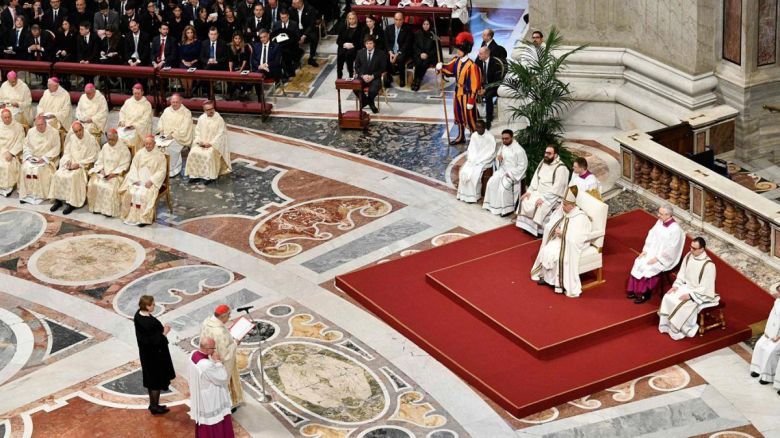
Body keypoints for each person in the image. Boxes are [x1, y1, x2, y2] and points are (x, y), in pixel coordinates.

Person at [530, 186, 592, 297]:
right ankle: (549, 279)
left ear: (572, 206)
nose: (562, 206)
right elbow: (555, 222)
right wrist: (556, 231)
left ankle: (559, 283)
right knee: (547, 250)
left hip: (571, 244)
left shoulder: (581, 218)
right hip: (561, 240)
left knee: (556, 255)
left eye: (564, 204)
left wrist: (563, 234)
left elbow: (579, 237)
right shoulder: (565, 212)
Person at [658, 237, 717, 339]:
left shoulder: (709, 265)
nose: (691, 250)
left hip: (698, 293)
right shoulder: (689, 256)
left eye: (694, 248)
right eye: (691, 247)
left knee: (680, 304)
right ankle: (666, 326)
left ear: (702, 249)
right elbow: (682, 273)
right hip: (686, 287)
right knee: (668, 296)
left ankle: (678, 330)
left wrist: (690, 296)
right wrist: (676, 286)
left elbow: (706, 287)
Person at [627, 204, 686, 304]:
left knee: (649, 267)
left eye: (661, 214)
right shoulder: (660, 222)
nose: (658, 215)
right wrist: (645, 251)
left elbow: (672, 249)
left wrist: (658, 258)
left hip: (664, 258)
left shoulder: (675, 229)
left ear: (668, 215)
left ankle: (645, 293)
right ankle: (633, 289)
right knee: (639, 261)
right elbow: (651, 235)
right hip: (652, 251)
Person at [436, 32, 481, 145]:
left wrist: (471, 100)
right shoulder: (456, 60)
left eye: (459, 49)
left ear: (465, 49)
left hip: (467, 94)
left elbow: (475, 85)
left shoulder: (472, 66)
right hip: (458, 93)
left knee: (470, 118)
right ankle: (461, 136)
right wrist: (441, 66)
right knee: (459, 115)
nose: (457, 51)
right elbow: (450, 69)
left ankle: (477, 139)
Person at [134, 295, 176, 415]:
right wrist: (165, 332)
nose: (154, 306)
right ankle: (155, 407)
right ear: (147, 306)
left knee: (151, 380)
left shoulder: (138, 315)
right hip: (154, 356)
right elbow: (153, 340)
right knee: (156, 381)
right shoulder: (147, 322)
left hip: (147, 355)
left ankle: (153, 404)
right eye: (152, 304)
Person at [515, 145, 570, 236]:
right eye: (545, 152)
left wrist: (543, 198)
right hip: (538, 192)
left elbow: (557, 189)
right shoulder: (543, 162)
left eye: (549, 153)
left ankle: (539, 231)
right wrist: (529, 191)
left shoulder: (561, 168)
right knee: (525, 199)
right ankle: (527, 227)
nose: (546, 155)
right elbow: (535, 179)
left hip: (551, 196)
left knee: (539, 205)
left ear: (555, 155)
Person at [186, 336, 236, 437]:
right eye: (213, 348)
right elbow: (222, 377)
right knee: (215, 421)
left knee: (206, 422)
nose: (215, 350)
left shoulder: (193, 354)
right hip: (210, 397)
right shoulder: (206, 365)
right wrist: (217, 361)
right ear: (207, 349)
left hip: (200, 393)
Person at [48, 121, 99, 215]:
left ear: (83, 129)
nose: (79, 133)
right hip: (71, 164)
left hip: (82, 166)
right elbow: (67, 152)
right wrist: (67, 161)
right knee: (58, 174)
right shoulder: (72, 138)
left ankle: (72, 203)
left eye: (80, 130)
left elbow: (93, 156)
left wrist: (79, 164)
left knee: (73, 177)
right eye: (76, 131)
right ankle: (58, 200)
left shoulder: (90, 139)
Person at [199, 304, 243, 409]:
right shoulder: (220, 332)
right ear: (222, 316)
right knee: (224, 382)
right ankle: (227, 405)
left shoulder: (207, 321)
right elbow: (225, 355)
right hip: (221, 362)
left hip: (209, 357)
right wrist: (235, 343)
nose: (229, 317)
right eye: (228, 315)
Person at [119, 135, 166, 226]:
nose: (147, 146)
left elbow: (162, 171)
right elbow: (133, 167)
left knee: (144, 195)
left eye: (150, 144)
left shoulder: (160, 156)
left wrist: (151, 181)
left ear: (154, 143)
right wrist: (135, 179)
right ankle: (130, 216)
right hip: (138, 180)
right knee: (130, 192)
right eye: (146, 144)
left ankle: (143, 219)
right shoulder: (140, 153)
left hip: (150, 183)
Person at [87, 129, 131, 217]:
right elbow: (100, 161)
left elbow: (124, 165)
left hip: (116, 175)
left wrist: (113, 174)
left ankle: (109, 211)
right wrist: (101, 169)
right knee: (94, 183)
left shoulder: (123, 148)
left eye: (112, 140)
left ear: (117, 137)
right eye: (109, 140)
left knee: (110, 188)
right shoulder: (105, 147)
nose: (110, 142)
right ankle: (97, 208)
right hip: (104, 174)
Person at [483, 129, 527, 215]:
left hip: (513, 173)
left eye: (506, 138)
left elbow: (523, 166)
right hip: (502, 170)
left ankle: (506, 210)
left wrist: (510, 174)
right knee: (491, 183)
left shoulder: (519, 150)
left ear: (512, 137)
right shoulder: (503, 146)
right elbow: (499, 158)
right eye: (502, 138)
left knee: (503, 188)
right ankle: (491, 205)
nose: (504, 140)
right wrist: (498, 159)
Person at [18, 116, 61, 204]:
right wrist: (29, 156)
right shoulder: (31, 131)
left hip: (47, 159)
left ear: (46, 123)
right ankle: (27, 194)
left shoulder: (54, 132)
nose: (40, 127)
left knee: (39, 170)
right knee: (25, 168)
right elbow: (26, 145)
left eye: (42, 125)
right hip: (33, 158)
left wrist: (44, 158)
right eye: (38, 125)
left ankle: (40, 195)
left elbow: (56, 148)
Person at [185, 101, 230, 183]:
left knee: (208, 155)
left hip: (214, 145)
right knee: (193, 152)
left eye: (212, 108)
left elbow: (221, 134)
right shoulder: (201, 118)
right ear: (204, 110)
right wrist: (199, 141)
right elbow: (197, 131)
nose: (210, 111)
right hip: (202, 143)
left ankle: (208, 176)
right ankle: (195, 175)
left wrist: (211, 144)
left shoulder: (219, 119)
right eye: (208, 109)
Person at [456, 120, 496, 203]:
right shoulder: (474, 135)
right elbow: (471, 149)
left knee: (474, 174)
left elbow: (491, 152)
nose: (478, 129)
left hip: (484, 160)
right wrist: (472, 158)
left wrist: (479, 160)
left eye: (480, 127)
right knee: (464, 171)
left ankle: (473, 197)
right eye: (476, 127)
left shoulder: (490, 137)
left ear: (484, 127)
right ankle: (463, 195)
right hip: (473, 159)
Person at [156, 93, 193, 177]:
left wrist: (173, 135)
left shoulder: (186, 113)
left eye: (176, 102)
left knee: (170, 147)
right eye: (173, 102)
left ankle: (172, 170)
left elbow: (184, 129)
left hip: (179, 137)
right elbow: (161, 122)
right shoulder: (167, 110)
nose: (174, 104)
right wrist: (161, 130)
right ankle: (160, 168)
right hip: (165, 136)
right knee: (155, 145)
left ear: (181, 101)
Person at [750, 292, 780, 385]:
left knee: (771, 351)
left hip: (778, 336)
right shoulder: (777, 302)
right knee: (760, 345)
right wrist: (767, 331)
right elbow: (772, 318)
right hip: (772, 331)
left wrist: (778, 336)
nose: (777, 294)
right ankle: (758, 369)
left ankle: (768, 376)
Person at [353, 35, 386, 114]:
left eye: (370, 43)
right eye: (367, 43)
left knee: (373, 90)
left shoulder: (381, 53)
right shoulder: (360, 52)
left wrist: (373, 76)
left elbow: (383, 68)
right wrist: (362, 75)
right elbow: (356, 67)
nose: (369, 45)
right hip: (362, 76)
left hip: (375, 77)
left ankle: (368, 102)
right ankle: (368, 102)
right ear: (365, 44)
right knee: (355, 87)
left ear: (374, 44)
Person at [118, 83, 154, 153]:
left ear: (142, 92)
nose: (136, 95)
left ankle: (134, 158)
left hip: (138, 130)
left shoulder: (147, 105)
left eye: (138, 93)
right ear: (132, 92)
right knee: (117, 137)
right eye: (135, 93)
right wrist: (122, 121)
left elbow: (145, 120)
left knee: (131, 139)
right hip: (126, 127)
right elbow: (122, 112)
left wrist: (134, 126)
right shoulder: (128, 102)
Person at [475, 46, 503, 130]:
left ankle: (488, 120)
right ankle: (475, 115)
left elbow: (497, 81)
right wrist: (479, 87)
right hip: (482, 85)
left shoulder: (495, 63)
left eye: (481, 53)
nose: (478, 55)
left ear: (487, 54)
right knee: (469, 92)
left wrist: (485, 89)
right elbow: (475, 75)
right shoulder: (478, 61)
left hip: (493, 86)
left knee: (488, 96)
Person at [384, 12, 412, 88]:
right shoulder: (388, 28)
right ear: (394, 19)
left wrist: (397, 54)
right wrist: (390, 52)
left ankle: (402, 78)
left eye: (400, 20)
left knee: (400, 59)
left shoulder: (408, 29)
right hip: (391, 51)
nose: (398, 22)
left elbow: (407, 44)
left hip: (402, 51)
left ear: (403, 20)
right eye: (396, 19)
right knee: (385, 57)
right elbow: (386, 42)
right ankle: (389, 77)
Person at [0, 109, 24, 197]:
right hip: (1, 151)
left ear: (11, 116)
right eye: (5, 118)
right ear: (1, 118)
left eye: (8, 117)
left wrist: (12, 153)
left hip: (12, 153)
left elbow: (20, 142)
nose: (7, 119)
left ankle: (7, 188)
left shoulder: (18, 127)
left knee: (6, 165)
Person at [271, 9, 301, 79]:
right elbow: (273, 36)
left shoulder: (294, 24)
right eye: (281, 17)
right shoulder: (276, 24)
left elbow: (297, 37)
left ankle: (287, 73)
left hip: (291, 46)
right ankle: (281, 73)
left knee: (285, 54)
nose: (283, 19)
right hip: (280, 46)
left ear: (288, 16)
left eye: (284, 17)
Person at [290, 0, 320, 67]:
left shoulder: (310, 9)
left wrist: (304, 36)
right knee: (290, 38)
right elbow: (291, 23)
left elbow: (311, 25)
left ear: (300, 3)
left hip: (306, 30)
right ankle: (295, 59)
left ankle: (311, 57)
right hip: (296, 30)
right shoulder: (291, 10)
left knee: (314, 37)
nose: (292, 5)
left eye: (294, 3)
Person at [410, 18, 436, 92]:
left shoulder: (433, 34)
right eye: (424, 24)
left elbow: (435, 49)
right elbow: (414, 46)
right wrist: (420, 54)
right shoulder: (417, 33)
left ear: (430, 25)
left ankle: (418, 80)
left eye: (427, 24)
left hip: (429, 56)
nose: (425, 26)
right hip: (419, 54)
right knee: (418, 63)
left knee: (424, 64)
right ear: (422, 25)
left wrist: (427, 55)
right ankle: (415, 79)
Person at [336, 11, 362, 79]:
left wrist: (353, 45)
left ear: (356, 19)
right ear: (347, 19)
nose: (351, 20)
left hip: (355, 47)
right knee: (340, 53)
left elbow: (361, 42)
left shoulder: (360, 28)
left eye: (353, 18)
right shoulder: (344, 27)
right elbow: (338, 41)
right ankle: (339, 75)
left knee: (349, 54)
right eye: (350, 18)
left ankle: (351, 73)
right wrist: (344, 44)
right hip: (345, 46)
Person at [179, 25, 200, 97]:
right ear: (185, 34)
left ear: (193, 33)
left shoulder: (197, 42)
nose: (190, 34)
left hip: (195, 62)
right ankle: (186, 90)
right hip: (184, 62)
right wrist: (184, 62)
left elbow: (199, 55)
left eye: (191, 32)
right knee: (183, 71)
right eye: (188, 33)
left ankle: (190, 90)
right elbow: (180, 55)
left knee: (190, 71)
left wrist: (192, 62)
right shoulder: (183, 43)